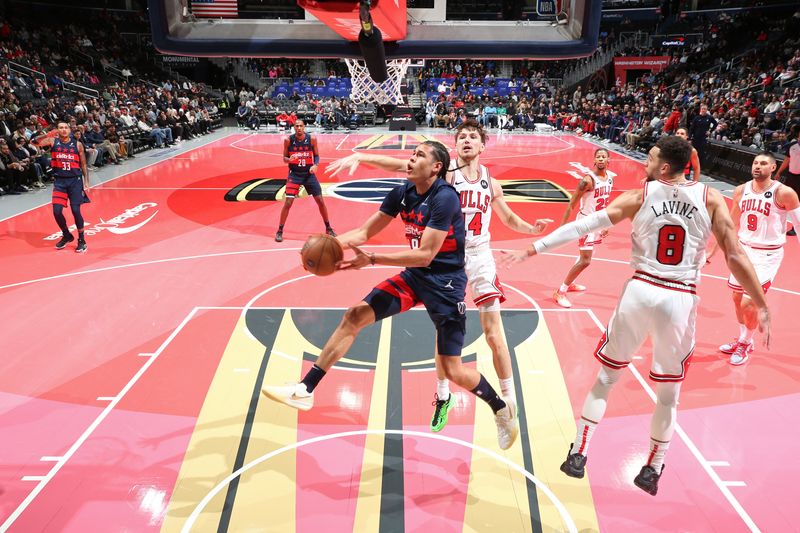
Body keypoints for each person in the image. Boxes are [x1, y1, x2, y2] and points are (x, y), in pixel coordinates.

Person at [500, 136, 771, 496]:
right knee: (668, 394)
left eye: (650, 156)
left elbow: (583, 226)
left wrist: (534, 248)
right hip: (680, 299)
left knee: (607, 378)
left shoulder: (641, 195)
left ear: (664, 168)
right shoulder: (711, 198)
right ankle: (653, 468)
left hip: (641, 291)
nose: (645, 161)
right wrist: (762, 305)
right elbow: (735, 254)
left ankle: (579, 452)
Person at [262, 140, 519, 450]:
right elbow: (363, 233)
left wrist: (372, 259)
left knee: (452, 369)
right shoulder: (402, 193)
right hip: (415, 278)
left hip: (446, 284)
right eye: (411, 155)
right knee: (355, 315)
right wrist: (326, 246)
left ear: (436, 167)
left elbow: (425, 255)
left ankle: (500, 407)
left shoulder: (445, 198)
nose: (409, 161)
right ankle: (306, 388)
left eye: (419, 156)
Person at [326, 119, 551, 434]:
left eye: (473, 136)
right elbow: (400, 165)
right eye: (461, 136)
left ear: (483, 146)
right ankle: (443, 396)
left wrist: (532, 229)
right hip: (446, 259)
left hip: (479, 256)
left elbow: (508, 217)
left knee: (493, 333)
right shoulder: (444, 174)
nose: (467, 140)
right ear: (454, 146)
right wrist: (363, 158)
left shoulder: (491, 182)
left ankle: (509, 401)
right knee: (444, 331)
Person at [715, 152, 799, 365]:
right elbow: (731, 223)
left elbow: (798, 225)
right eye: (755, 162)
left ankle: (746, 342)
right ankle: (743, 337)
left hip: (768, 254)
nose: (758, 166)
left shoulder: (785, 192)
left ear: (773, 168)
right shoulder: (741, 190)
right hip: (743, 250)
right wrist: (714, 249)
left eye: (763, 163)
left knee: (749, 303)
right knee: (736, 298)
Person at [552, 148, 614, 308]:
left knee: (585, 258)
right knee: (586, 260)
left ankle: (570, 283)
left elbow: (604, 204)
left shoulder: (609, 179)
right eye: (598, 157)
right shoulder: (587, 181)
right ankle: (561, 291)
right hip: (586, 223)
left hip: (598, 222)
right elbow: (571, 204)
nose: (601, 159)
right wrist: (562, 227)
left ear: (608, 160)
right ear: (594, 160)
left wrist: (605, 224)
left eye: (604, 157)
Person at [275, 120, 335, 242]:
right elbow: (284, 159)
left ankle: (328, 227)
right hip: (294, 175)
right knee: (288, 203)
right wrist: (289, 159)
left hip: (309, 175)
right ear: (294, 127)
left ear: (304, 127)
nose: (299, 128)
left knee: (320, 201)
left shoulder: (312, 139)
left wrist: (316, 165)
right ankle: (280, 230)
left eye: (301, 126)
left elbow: (316, 155)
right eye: (296, 126)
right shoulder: (288, 140)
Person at [36, 122, 91, 253]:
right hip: (60, 182)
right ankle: (67, 234)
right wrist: (47, 133)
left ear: (70, 130)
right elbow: (34, 142)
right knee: (56, 211)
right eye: (61, 128)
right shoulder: (52, 141)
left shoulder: (77, 144)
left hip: (75, 181)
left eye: (66, 127)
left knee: (76, 210)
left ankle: (82, 239)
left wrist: (86, 181)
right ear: (57, 130)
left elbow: (83, 164)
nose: (64, 130)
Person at [775, 125, 800, 236]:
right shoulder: (792, 146)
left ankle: (796, 227)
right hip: (791, 176)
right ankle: (780, 224)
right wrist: (779, 172)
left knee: (798, 203)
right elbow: (786, 160)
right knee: (784, 200)